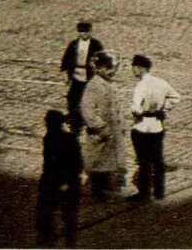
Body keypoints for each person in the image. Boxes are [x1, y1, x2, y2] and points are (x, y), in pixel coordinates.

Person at [128, 54, 180, 202]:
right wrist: (164, 108)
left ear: (140, 68)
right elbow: (175, 97)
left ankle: (143, 192)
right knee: (157, 159)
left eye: (134, 68)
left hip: (142, 125)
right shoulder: (160, 82)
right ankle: (159, 190)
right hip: (157, 125)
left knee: (143, 161)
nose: (133, 71)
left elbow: (136, 109)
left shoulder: (141, 86)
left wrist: (133, 110)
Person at [80, 52, 128, 200]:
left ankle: (105, 189)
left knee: (107, 162)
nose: (111, 72)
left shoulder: (107, 84)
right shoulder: (93, 86)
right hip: (100, 132)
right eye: (108, 69)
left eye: (112, 68)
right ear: (99, 69)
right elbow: (87, 111)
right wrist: (100, 127)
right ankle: (97, 193)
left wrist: (121, 124)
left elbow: (114, 107)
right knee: (98, 163)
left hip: (111, 131)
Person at [36, 108, 83, 246]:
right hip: (70, 181)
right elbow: (78, 163)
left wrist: (61, 181)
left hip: (55, 181)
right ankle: (70, 241)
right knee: (69, 215)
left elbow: (51, 164)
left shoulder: (50, 139)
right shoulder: (70, 138)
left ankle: (47, 240)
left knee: (46, 212)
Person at [60, 21, 105, 125]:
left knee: (88, 97)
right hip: (76, 74)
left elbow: (102, 60)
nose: (84, 34)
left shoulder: (96, 45)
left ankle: (88, 116)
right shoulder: (74, 44)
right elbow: (66, 59)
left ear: (90, 32)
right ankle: (73, 115)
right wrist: (65, 74)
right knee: (72, 96)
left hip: (89, 75)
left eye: (86, 32)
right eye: (82, 32)